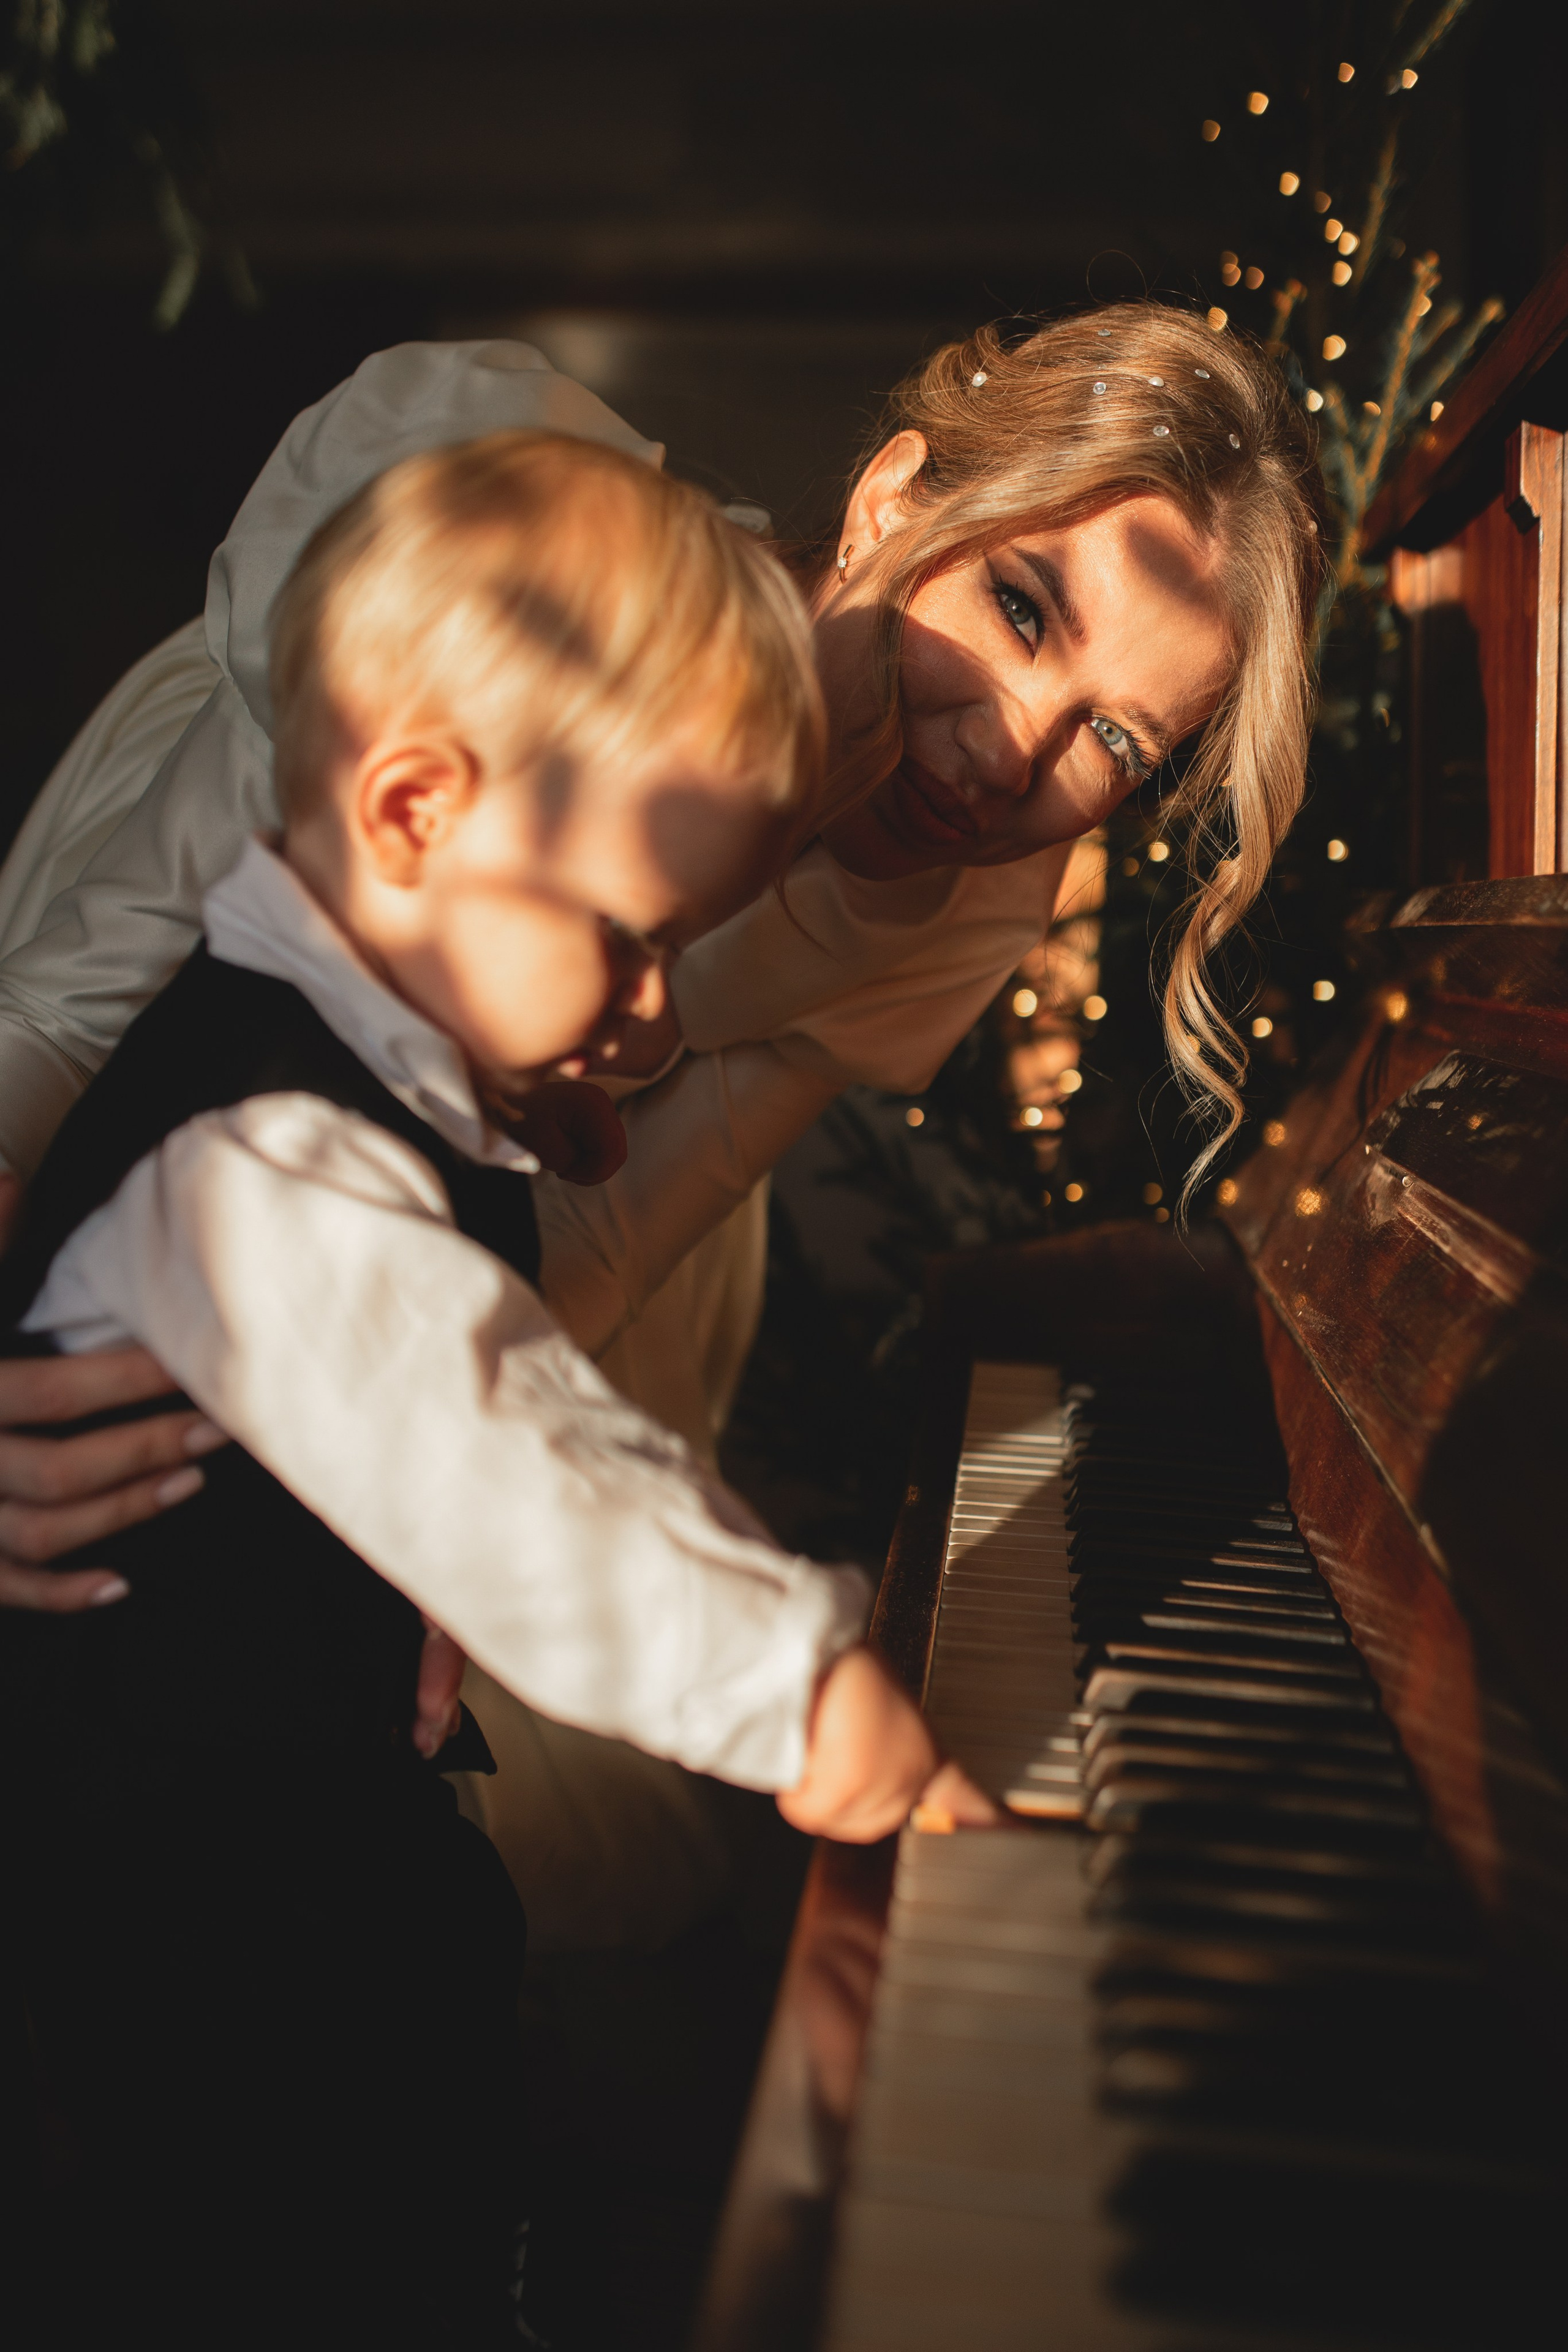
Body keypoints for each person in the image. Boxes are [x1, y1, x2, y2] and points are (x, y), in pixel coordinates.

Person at [0, 309, 1326, 1942]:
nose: (1007, 759)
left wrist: (410, 1497)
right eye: (1020, 607)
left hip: (435, 1226)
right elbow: (76, 1041)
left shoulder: (975, 898)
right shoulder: (504, 570)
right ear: (896, 499)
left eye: (1118, 739)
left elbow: (598, 1235)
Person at [2, 429, 979, 2346]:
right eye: (629, 938)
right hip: (205, 1951)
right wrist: (801, 1690)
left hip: (278, 1866)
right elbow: (514, 1458)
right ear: (416, 811)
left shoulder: (363, 1062)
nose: (653, 1009)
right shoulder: (267, 1152)